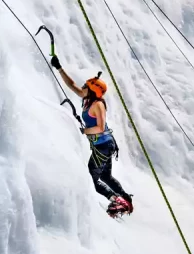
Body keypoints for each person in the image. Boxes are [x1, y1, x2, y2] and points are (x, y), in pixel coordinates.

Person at [51, 54, 134, 217]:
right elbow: (72, 86)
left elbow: (101, 127)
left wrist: (85, 131)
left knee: (93, 178)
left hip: (103, 146)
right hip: (104, 145)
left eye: (87, 85)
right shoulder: (89, 99)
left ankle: (117, 200)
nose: (83, 86)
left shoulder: (97, 105)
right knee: (106, 176)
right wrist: (59, 68)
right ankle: (125, 201)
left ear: (93, 90)